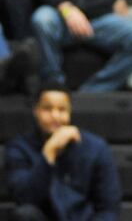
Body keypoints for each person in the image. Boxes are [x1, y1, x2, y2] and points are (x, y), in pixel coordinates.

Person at [4, 80, 122, 220]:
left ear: (70, 111)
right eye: (47, 109)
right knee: (24, 214)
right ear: (36, 110)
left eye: (62, 109)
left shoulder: (96, 148)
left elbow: (108, 208)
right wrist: (49, 153)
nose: (55, 116)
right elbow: (25, 198)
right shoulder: (19, 149)